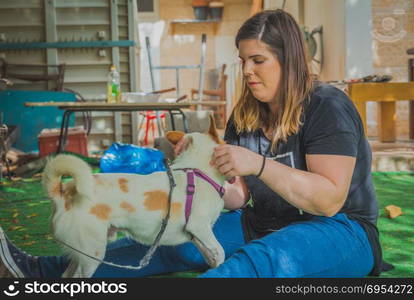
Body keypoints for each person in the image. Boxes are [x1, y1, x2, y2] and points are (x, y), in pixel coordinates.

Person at [1, 9, 385, 278]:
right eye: (243, 60)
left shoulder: (326, 106)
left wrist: (258, 164)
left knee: (264, 261)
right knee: (175, 240)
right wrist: (198, 179)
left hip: (341, 229)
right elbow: (237, 196)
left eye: (258, 60)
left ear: (291, 61)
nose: (247, 70)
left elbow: (329, 199)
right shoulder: (247, 113)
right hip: (263, 222)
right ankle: (41, 272)